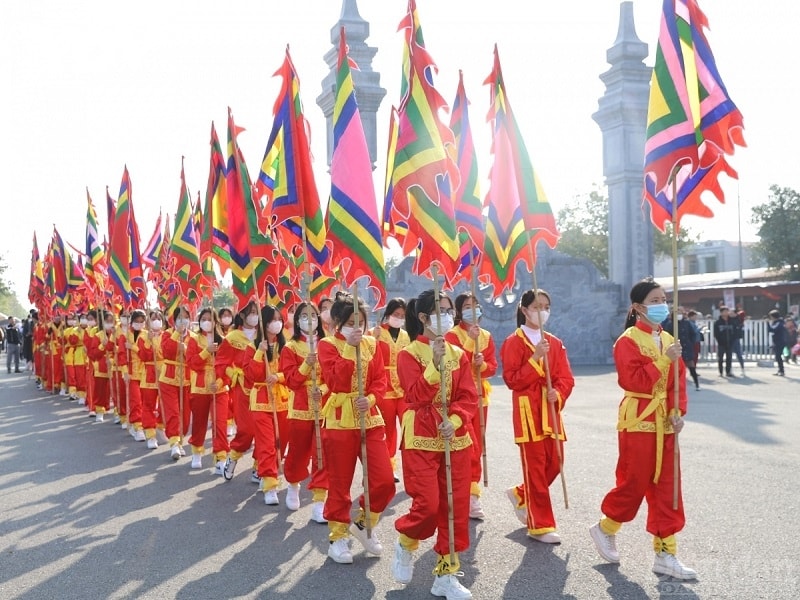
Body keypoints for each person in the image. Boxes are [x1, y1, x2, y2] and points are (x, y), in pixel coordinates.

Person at [589, 277, 696, 580]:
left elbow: (677, 384)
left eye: (664, 299)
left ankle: (666, 553)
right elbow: (632, 381)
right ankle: (606, 527)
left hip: (664, 420)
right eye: (655, 300)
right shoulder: (628, 341)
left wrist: (677, 411)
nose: (662, 305)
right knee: (635, 481)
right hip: (638, 417)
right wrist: (664, 360)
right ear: (637, 307)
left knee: (669, 485)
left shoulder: (668, 339)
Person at [391, 289, 477, 600]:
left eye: (448, 310)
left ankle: (447, 574)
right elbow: (414, 395)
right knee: (427, 505)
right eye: (439, 311)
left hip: (453, 436)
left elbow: (468, 396)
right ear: (424, 318)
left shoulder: (460, 354)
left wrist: (454, 420)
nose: (448, 316)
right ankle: (406, 541)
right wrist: (434, 365)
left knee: (455, 507)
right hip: (421, 436)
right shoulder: (408, 353)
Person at [317, 293, 395, 565]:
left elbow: (380, 380)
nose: (356, 327)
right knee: (339, 482)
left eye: (360, 322)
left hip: (369, 417)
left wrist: (371, 398)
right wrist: (350, 348)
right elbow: (335, 379)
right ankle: (337, 536)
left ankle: (364, 523)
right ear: (337, 321)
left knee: (384, 479)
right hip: (339, 419)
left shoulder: (373, 344)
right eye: (350, 322)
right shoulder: (327, 345)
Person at [501, 289, 574, 543]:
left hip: (550, 412)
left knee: (555, 463)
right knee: (535, 469)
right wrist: (535, 358)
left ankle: (521, 494)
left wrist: (559, 392)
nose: (542, 311)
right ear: (524, 311)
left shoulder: (554, 342)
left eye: (546, 306)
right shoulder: (514, 342)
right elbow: (512, 380)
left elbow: (566, 377)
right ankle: (540, 525)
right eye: (537, 306)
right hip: (528, 412)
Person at [444, 292, 497, 521]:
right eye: (467, 306)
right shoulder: (452, 335)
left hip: (480, 398)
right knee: (466, 445)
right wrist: (468, 344)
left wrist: (482, 363)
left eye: (475, 305)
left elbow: (492, 367)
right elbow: (455, 363)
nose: (472, 309)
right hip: (459, 397)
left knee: (479, 444)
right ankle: (461, 493)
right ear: (458, 311)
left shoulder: (486, 336)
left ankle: (473, 494)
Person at [280, 301, 329, 523]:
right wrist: (305, 365)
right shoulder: (290, 348)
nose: (309, 319)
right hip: (300, 406)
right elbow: (291, 381)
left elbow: (335, 375)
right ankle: (293, 484)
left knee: (323, 454)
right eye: (304, 315)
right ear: (297, 320)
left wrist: (325, 388)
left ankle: (319, 501)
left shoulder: (328, 344)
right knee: (298, 452)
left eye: (313, 315)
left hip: (325, 404)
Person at [243, 304, 290, 505]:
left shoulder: (287, 346)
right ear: (264, 323)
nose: (276, 324)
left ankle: (265, 472)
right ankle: (271, 484)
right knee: (267, 443)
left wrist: (278, 376)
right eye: (271, 320)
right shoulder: (252, 346)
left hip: (283, 400)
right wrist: (258, 353)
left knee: (282, 442)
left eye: (279, 319)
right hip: (261, 400)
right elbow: (250, 376)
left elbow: (291, 372)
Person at [217, 301, 262, 483]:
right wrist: (233, 374)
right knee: (247, 429)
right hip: (242, 387)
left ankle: (260, 467)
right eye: (251, 312)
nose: (255, 316)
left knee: (264, 430)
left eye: (257, 312)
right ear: (242, 315)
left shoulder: (264, 336)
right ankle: (233, 457)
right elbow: (221, 362)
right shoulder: (233, 337)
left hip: (262, 387)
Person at [186, 307, 230, 471]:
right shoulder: (194, 339)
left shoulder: (224, 340)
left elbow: (228, 366)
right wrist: (206, 351)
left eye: (210, 319)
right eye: (204, 318)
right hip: (199, 387)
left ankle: (220, 457)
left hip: (219, 388)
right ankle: (197, 451)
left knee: (220, 423)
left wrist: (219, 382)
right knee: (199, 422)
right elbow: (192, 363)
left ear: (216, 322)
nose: (207, 322)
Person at [373, 298, 411, 482]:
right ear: (388, 314)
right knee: (388, 429)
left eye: (402, 315)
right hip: (384, 388)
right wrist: (373, 339)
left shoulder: (406, 335)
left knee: (408, 426)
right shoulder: (377, 332)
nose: (399, 318)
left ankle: (412, 465)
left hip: (404, 388)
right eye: (396, 315)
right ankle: (388, 465)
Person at [159, 307, 193, 460]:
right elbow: (166, 352)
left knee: (185, 415)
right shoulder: (166, 334)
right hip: (168, 378)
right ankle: (174, 443)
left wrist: (185, 350)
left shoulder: (193, 337)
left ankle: (180, 439)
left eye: (186, 317)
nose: (182, 320)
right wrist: (176, 334)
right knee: (173, 412)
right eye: (179, 317)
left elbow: (195, 358)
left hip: (187, 380)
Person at [663, 308, 702, 391]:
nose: (679, 315)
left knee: (691, 366)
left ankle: (697, 384)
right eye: (677, 313)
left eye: (680, 313)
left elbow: (693, 334)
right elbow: (666, 336)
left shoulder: (687, 323)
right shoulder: (670, 324)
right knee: (676, 369)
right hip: (676, 348)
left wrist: (690, 343)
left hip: (687, 348)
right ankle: (674, 386)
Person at [713, 306, 737, 378]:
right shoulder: (717, 322)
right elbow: (716, 333)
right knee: (720, 358)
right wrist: (719, 341)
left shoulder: (732, 321)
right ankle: (720, 372)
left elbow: (735, 331)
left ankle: (728, 372)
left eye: (727, 311)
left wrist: (733, 340)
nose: (726, 313)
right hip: (721, 344)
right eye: (724, 311)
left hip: (730, 343)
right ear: (721, 312)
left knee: (729, 358)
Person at [767, 310, 787, 376]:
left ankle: (782, 371)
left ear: (774, 316)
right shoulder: (776, 322)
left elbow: (772, 329)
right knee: (777, 356)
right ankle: (780, 370)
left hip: (780, 341)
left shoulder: (779, 323)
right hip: (777, 341)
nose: (770, 318)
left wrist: (767, 323)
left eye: (771, 316)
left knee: (778, 356)